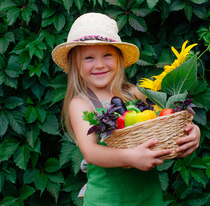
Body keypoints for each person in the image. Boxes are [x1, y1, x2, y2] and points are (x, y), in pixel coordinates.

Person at [51, 12, 201, 205]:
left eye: (107, 55)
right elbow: (91, 152)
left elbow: (164, 123)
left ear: (119, 59)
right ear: (75, 65)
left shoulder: (134, 94)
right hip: (107, 199)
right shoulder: (81, 103)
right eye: (89, 58)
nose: (99, 64)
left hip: (147, 196)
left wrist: (192, 131)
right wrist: (131, 157)